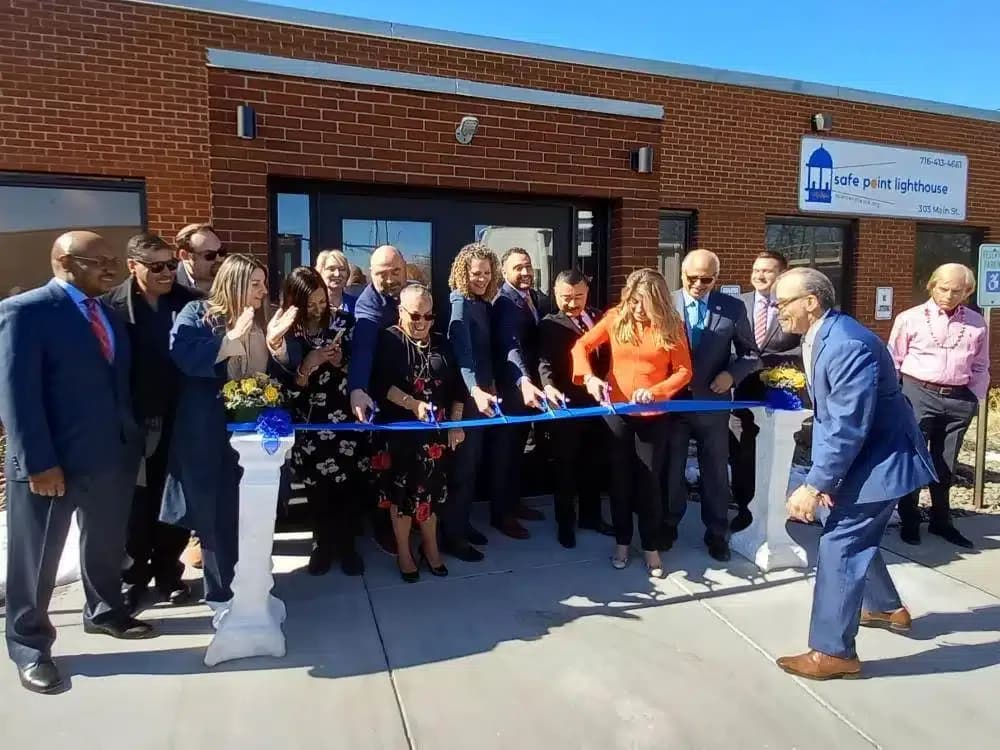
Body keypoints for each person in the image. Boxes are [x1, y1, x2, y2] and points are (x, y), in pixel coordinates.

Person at [0, 231, 152, 695]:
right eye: (101, 261)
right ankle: (30, 646)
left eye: (114, 260)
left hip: (110, 457)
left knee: (104, 545)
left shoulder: (107, 312)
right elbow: (16, 396)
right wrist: (38, 462)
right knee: (37, 560)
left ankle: (104, 612)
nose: (113, 268)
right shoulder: (24, 312)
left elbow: (115, 384)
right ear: (66, 261)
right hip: (51, 465)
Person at [773, 268, 935, 681]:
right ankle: (884, 608)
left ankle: (833, 653)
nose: (778, 312)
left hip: (881, 462)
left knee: (839, 546)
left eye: (783, 303)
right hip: (866, 459)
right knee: (850, 534)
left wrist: (816, 484)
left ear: (811, 301)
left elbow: (848, 424)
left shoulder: (846, 344)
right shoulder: (823, 336)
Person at [162, 253, 281, 608]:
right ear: (235, 283)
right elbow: (182, 355)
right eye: (255, 284)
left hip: (249, 440)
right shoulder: (197, 314)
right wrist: (229, 340)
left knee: (246, 515)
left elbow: (265, 376)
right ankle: (222, 597)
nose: (263, 291)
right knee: (213, 520)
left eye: (263, 283)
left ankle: (251, 588)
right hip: (206, 436)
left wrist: (276, 347)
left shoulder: (260, 321)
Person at [103, 233, 201, 611]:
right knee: (136, 506)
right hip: (136, 424)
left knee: (174, 501)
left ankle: (169, 573)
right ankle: (133, 577)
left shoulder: (190, 304)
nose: (166, 273)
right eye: (156, 266)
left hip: (181, 419)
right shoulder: (110, 308)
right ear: (133, 266)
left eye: (171, 265)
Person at [573, 269, 691, 576]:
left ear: (659, 302)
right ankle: (623, 542)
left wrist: (655, 391)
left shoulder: (672, 325)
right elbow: (580, 347)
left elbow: (683, 371)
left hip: (653, 416)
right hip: (617, 413)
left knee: (650, 482)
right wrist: (589, 378)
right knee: (620, 480)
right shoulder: (616, 317)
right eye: (635, 301)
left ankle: (650, 545)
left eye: (645, 303)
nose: (638, 309)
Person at [663, 249, 758, 562]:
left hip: (713, 404)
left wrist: (732, 374)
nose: (699, 284)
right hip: (674, 404)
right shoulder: (665, 302)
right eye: (693, 278)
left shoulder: (731, 307)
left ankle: (717, 533)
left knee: (716, 471)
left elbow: (750, 353)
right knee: (672, 468)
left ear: (717, 278)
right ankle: (668, 524)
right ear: (682, 274)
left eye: (707, 279)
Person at [888, 263, 989, 549]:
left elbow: (981, 364)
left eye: (957, 291)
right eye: (943, 288)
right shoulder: (910, 318)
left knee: (945, 464)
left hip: (959, 397)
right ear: (932, 286)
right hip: (918, 392)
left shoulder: (976, 322)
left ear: (967, 292)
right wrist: (894, 399)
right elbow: (894, 359)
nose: (948, 295)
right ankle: (909, 519)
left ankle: (942, 521)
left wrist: (975, 396)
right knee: (914, 458)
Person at [275, 266, 367, 576]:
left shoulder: (343, 321)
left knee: (348, 485)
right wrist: (307, 366)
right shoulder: (289, 331)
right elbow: (286, 387)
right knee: (317, 490)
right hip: (310, 422)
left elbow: (362, 368)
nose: (317, 310)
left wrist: (341, 361)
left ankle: (347, 546)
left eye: (321, 302)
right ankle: (322, 545)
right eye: (310, 305)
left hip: (344, 420)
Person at [370, 284, 465, 582]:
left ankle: (431, 547)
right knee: (402, 497)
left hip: (435, 438)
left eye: (428, 316)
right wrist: (413, 405)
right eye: (415, 315)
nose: (422, 322)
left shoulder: (442, 342)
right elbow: (380, 385)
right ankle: (404, 552)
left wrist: (457, 422)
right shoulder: (389, 340)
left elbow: (457, 387)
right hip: (400, 434)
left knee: (430, 496)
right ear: (401, 312)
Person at [539, 269, 615, 548]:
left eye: (578, 297)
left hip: (599, 404)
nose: (572, 303)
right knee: (566, 468)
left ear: (587, 293)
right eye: (566, 298)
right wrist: (548, 387)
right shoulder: (549, 324)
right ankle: (565, 523)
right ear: (556, 295)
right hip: (567, 406)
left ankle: (591, 517)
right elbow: (544, 362)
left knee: (593, 464)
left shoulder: (599, 317)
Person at [730, 250, 802, 532]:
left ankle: (771, 513)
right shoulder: (738, 305)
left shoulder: (793, 307)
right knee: (741, 454)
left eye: (767, 271)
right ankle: (744, 510)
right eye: (756, 270)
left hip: (778, 393)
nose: (760, 275)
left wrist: (771, 365)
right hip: (739, 393)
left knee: (774, 455)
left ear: (781, 275)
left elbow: (801, 348)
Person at [490, 247, 558, 539]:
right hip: (512, 389)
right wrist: (525, 381)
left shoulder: (533, 298)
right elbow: (510, 345)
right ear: (505, 272)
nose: (525, 272)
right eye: (518, 267)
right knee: (504, 455)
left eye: (528, 266)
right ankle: (501, 515)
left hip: (531, 391)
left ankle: (514, 503)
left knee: (518, 453)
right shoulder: (504, 302)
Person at [346, 244, 407, 554]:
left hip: (415, 395)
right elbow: (364, 350)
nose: (389, 278)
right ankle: (384, 529)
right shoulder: (368, 305)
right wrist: (357, 388)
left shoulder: (413, 294)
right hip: (381, 399)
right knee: (383, 469)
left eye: (395, 271)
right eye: (382, 273)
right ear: (371, 274)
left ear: (405, 270)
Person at [443, 243, 501, 562]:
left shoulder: (483, 303)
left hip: (482, 395)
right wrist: (474, 389)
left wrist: (489, 383)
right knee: (461, 470)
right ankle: (452, 536)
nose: (481, 278)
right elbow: (462, 353)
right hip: (465, 397)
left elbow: (486, 352)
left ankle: (462, 524)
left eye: (486, 273)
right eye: (475, 273)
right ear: (464, 272)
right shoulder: (459, 302)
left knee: (473, 465)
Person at [174, 223, 226, 294]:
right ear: (184, 256)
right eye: (210, 255)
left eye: (221, 252)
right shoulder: (167, 286)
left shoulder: (233, 282)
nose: (219, 259)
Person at [315, 248, 358, 316]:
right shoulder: (311, 306)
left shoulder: (358, 305)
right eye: (331, 269)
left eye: (342, 269)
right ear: (320, 272)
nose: (337, 274)